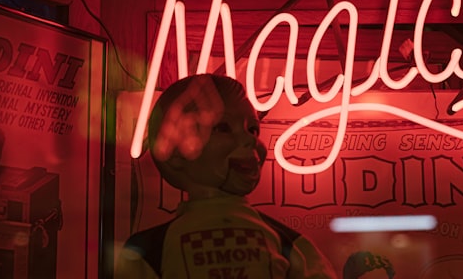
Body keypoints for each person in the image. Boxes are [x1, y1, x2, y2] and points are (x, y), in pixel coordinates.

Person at [116, 73, 337, 279]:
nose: (250, 140)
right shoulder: (289, 243)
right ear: (175, 152)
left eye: (253, 129)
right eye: (223, 128)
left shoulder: (146, 251)